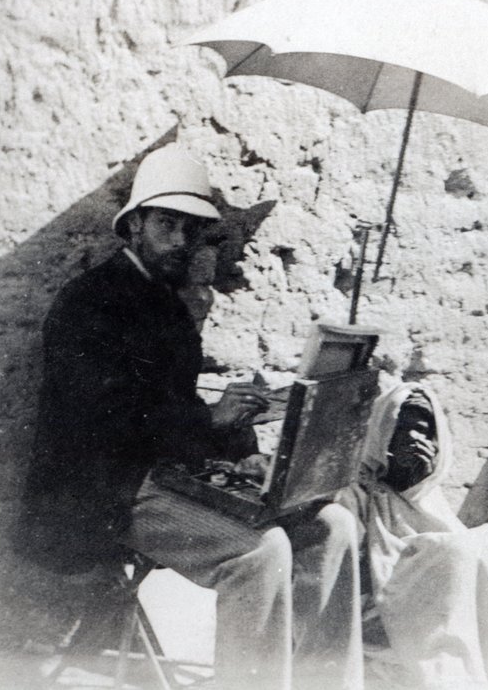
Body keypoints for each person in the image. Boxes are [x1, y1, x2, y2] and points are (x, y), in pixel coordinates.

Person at [20, 144, 362, 690]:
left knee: (333, 526)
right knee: (260, 551)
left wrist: (241, 445)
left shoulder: (169, 304)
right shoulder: (89, 302)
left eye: (190, 228)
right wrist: (211, 424)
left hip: (166, 478)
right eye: (166, 223)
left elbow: (179, 406)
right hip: (103, 491)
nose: (180, 240)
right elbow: (108, 421)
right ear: (133, 226)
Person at [338, 381, 488, 690]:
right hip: (385, 613)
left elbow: (460, 560)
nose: (415, 439)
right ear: (383, 434)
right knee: (461, 549)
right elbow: (352, 578)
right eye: (404, 430)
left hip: (438, 611)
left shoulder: (426, 495)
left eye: (424, 431)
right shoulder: (357, 493)